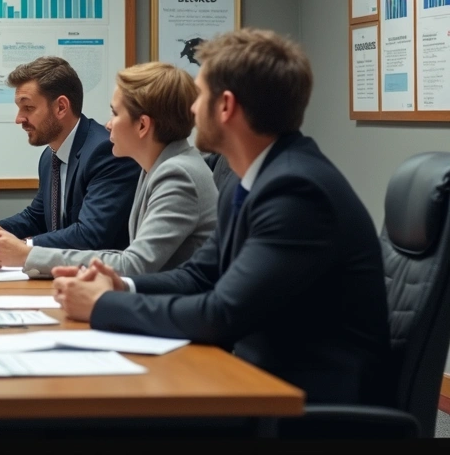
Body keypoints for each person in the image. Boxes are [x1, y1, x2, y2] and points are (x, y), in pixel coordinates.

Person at [52, 28, 392, 406]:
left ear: (226, 106)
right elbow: (201, 274)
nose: (192, 109)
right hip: (258, 378)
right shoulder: (245, 178)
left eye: (200, 95)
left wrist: (102, 305)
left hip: (309, 404)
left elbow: (221, 313)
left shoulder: (296, 191)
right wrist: (122, 288)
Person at [0, 62, 217, 276]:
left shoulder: (177, 174)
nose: (108, 125)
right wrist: (3, 236)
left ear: (142, 125)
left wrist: (27, 253)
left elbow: (133, 264)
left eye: (115, 113)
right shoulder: (156, 167)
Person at [0, 56, 139, 252]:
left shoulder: (106, 152)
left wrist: (23, 247)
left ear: (61, 107)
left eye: (29, 108)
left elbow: (90, 234)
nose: (19, 119)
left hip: (104, 277)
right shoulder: (51, 156)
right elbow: (37, 217)